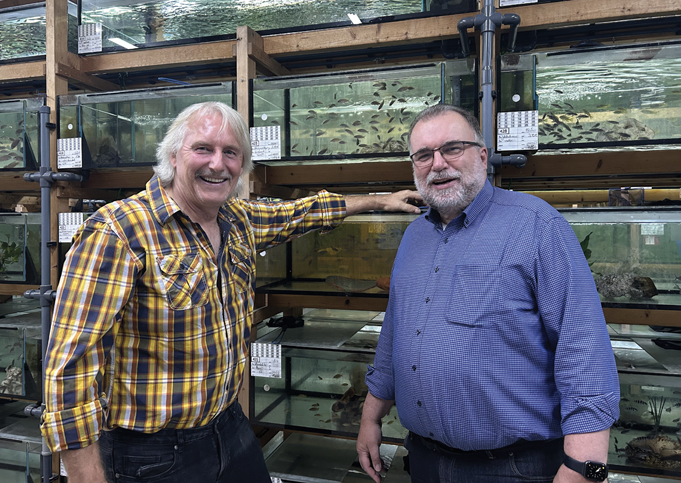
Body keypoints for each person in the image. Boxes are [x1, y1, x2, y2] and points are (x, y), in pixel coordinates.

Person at [41, 101, 423, 483]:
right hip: (150, 454)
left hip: (229, 428)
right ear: (173, 155)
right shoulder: (118, 231)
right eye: (203, 148)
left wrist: (380, 200)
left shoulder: (236, 218)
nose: (217, 163)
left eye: (231, 153)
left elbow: (302, 212)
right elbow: (68, 369)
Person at [356, 104, 620, 483]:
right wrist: (370, 416)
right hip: (424, 459)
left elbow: (583, 346)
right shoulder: (413, 238)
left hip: (514, 468)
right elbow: (394, 334)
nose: (438, 164)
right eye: (424, 155)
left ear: (482, 155)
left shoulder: (536, 225)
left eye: (452, 148)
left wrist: (584, 466)